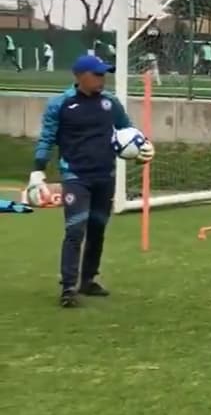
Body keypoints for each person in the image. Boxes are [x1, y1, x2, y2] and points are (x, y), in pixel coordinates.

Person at [26, 55, 155, 308]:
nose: (101, 78)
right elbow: (47, 139)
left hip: (105, 176)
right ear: (79, 76)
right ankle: (68, 288)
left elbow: (127, 132)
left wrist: (142, 150)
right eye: (97, 74)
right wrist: (38, 170)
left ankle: (88, 280)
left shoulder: (111, 103)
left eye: (103, 73)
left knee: (97, 230)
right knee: (75, 230)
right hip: (75, 177)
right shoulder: (60, 104)